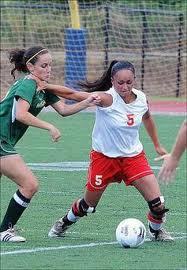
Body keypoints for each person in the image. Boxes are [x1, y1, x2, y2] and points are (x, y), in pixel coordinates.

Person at [42, 60, 174, 241]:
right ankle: (63, 223)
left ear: (134, 79)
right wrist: (44, 85)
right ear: (112, 80)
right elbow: (73, 94)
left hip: (133, 158)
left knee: (158, 203)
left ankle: (156, 231)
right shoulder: (106, 99)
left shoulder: (142, 98)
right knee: (88, 205)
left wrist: (157, 145)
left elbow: (148, 118)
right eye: (120, 82)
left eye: (129, 82)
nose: (125, 87)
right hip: (104, 159)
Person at [0, 46, 101, 242]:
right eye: (44, 66)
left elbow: (63, 109)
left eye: (50, 65)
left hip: (4, 140)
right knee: (29, 184)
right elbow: (21, 114)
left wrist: (87, 102)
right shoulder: (28, 84)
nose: (48, 70)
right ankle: (5, 230)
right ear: (30, 67)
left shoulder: (43, 88)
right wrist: (49, 127)